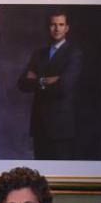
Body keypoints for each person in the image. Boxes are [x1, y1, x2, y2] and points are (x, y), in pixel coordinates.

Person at [17, 10, 83, 160]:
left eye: (61, 24)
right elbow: (22, 84)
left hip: (61, 127)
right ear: (48, 27)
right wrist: (46, 80)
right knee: (40, 175)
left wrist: (36, 80)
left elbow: (64, 86)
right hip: (39, 124)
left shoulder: (74, 54)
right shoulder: (38, 54)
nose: (57, 28)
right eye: (53, 24)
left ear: (67, 28)